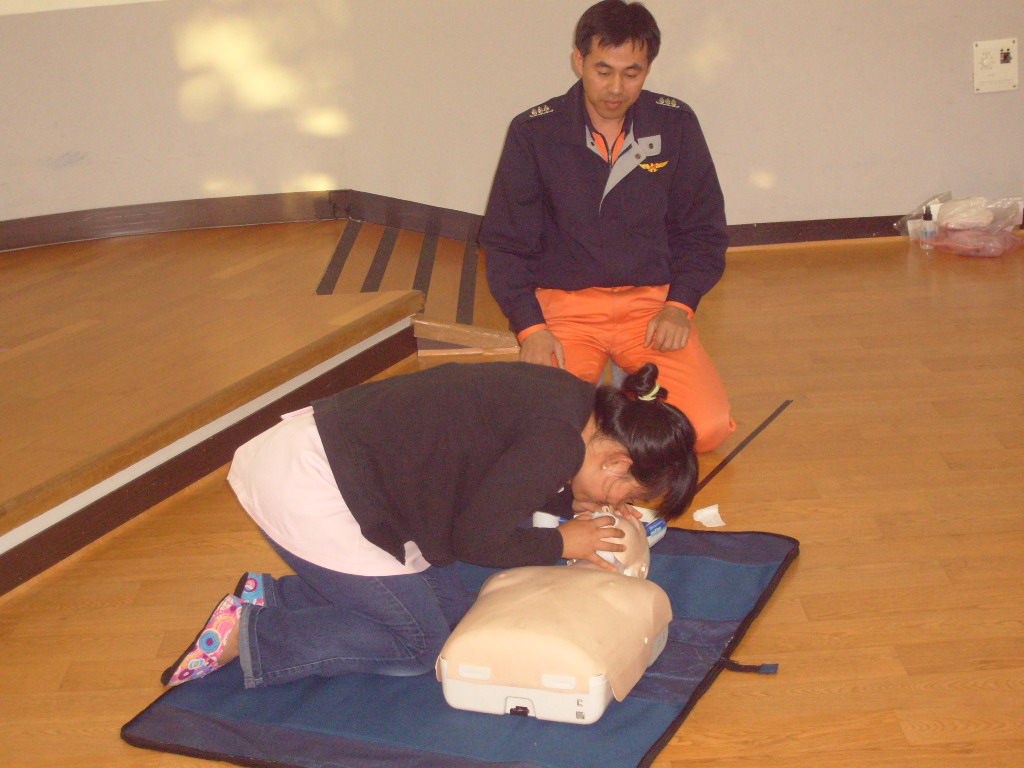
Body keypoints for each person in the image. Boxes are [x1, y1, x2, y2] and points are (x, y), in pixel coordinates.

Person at [161, 361, 697, 688]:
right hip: (313, 483)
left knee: (458, 615)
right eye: (631, 496)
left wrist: (571, 506)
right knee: (419, 645)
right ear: (619, 461)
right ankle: (249, 635)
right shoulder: (557, 443)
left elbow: (501, 479)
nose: (620, 505)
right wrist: (562, 541)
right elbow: (477, 539)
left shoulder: (573, 403)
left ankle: (275, 597)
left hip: (345, 470)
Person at [480, 0, 735, 453]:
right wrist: (530, 329)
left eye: (631, 73)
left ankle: (622, 395)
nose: (616, 88)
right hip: (565, 310)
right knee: (545, 435)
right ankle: (619, 401)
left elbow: (703, 230)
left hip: (651, 309)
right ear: (578, 60)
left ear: (648, 69)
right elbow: (505, 244)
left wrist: (680, 305)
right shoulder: (534, 132)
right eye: (603, 71)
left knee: (706, 428)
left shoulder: (676, 124)